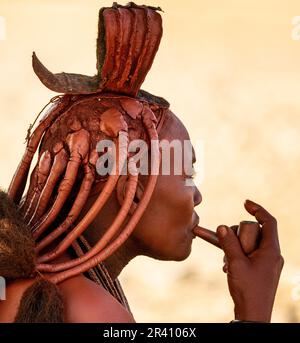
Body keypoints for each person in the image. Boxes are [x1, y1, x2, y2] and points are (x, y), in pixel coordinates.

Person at [0, 3, 283, 323]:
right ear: (131, 192)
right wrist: (254, 310)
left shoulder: (14, 281)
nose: (197, 196)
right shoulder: (93, 312)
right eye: (187, 174)